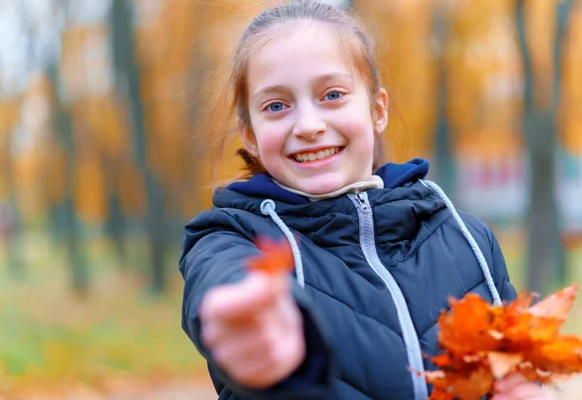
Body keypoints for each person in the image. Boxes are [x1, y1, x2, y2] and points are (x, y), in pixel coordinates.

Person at [179, 2, 550, 399]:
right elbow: (220, 280)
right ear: (250, 135)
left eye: (332, 95)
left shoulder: (467, 239)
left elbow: (515, 370)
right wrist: (246, 323)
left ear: (377, 110)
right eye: (276, 106)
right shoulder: (230, 240)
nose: (308, 126)